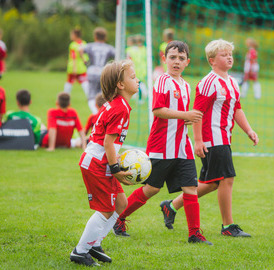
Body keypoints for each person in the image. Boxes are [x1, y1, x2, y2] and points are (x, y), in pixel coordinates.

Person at [113, 41, 212, 245]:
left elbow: (180, 114)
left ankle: (194, 234)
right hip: (161, 147)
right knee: (151, 189)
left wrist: (186, 118)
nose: (177, 62)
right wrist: (186, 114)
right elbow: (158, 110)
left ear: (187, 62)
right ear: (164, 59)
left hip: (182, 147)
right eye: (173, 57)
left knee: (191, 188)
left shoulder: (185, 85)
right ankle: (118, 219)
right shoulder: (162, 81)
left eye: (181, 58)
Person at [160, 39, 259, 237]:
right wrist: (198, 140)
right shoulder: (208, 82)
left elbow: (236, 108)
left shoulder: (232, 82)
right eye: (224, 55)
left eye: (230, 54)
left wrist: (249, 130)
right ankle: (227, 226)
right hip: (212, 139)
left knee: (213, 182)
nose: (229, 57)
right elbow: (197, 112)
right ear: (212, 60)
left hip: (224, 138)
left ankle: (171, 206)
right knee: (226, 179)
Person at [70, 59, 139, 266]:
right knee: (106, 210)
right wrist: (116, 169)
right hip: (98, 164)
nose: (138, 80)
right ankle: (80, 251)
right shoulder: (121, 108)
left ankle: (95, 243)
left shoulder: (120, 105)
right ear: (120, 84)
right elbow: (108, 143)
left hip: (101, 161)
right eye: (133, 77)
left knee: (121, 203)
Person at [82, 27, 115, 114]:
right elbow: (118, 54)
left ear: (95, 37)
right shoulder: (109, 47)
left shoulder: (90, 46)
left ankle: (95, 114)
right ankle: (101, 113)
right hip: (103, 72)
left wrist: (84, 61)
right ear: (105, 37)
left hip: (92, 71)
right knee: (103, 95)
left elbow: (79, 49)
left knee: (91, 95)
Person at [63, 29, 90, 97]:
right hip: (82, 67)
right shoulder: (84, 43)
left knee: (69, 82)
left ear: (75, 35)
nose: (70, 36)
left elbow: (74, 57)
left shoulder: (73, 45)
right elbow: (86, 56)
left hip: (74, 67)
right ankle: (89, 97)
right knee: (85, 82)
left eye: (71, 35)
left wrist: (74, 68)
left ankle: (65, 97)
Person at [126, 34, 147, 102]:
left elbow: (129, 59)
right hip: (142, 68)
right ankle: (138, 95)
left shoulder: (129, 50)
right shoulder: (139, 49)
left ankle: (141, 96)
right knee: (139, 82)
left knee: (138, 83)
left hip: (134, 69)